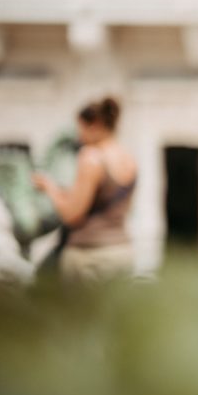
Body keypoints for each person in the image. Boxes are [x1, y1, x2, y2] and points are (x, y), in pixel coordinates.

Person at [32, 96, 137, 282]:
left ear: (94, 125)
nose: (79, 138)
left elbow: (73, 215)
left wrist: (50, 188)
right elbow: (104, 203)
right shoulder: (128, 158)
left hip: (90, 256)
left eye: (81, 129)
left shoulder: (91, 157)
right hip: (121, 250)